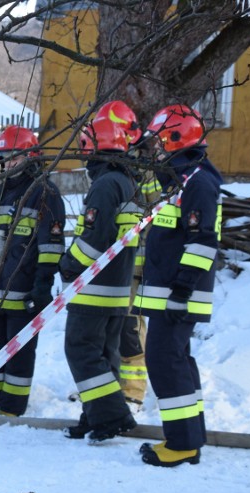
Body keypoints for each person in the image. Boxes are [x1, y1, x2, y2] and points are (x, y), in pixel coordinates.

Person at [133, 104, 222, 467]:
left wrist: (182, 288)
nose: (154, 148)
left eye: (158, 141)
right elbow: (151, 190)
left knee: (164, 361)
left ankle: (182, 443)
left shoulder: (198, 182)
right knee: (178, 361)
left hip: (179, 294)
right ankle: (191, 435)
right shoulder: (181, 179)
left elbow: (203, 240)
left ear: (174, 138)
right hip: (172, 292)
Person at [60, 115, 143, 442]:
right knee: (104, 355)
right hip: (116, 289)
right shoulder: (126, 181)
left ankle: (112, 417)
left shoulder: (106, 184)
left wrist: (68, 264)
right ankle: (94, 415)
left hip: (94, 288)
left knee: (80, 350)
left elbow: (95, 237)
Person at [0, 126, 66, 416]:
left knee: (19, 356)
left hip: (25, 294)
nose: (8, 164)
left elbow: (50, 246)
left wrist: (42, 287)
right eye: (3, 158)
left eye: (14, 158)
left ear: (31, 156)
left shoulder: (45, 193)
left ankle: (12, 410)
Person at [96, 100, 158, 413]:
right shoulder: (113, 169)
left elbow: (156, 215)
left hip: (135, 263)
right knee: (107, 329)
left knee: (130, 328)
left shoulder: (144, 172)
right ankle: (107, 387)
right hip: (110, 265)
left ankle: (133, 391)